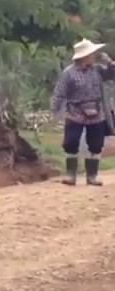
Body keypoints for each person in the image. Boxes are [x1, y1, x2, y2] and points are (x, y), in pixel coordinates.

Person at [51, 38, 115, 186]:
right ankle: (71, 175)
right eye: (91, 54)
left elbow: (112, 75)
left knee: (96, 144)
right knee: (71, 142)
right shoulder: (69, 73)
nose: (94, 56)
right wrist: (56, 111)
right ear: (84, 56)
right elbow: (59, 93)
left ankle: (91, 177)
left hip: (97, 112)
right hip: (75, 112)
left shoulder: (97, 70)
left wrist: (110, 63)